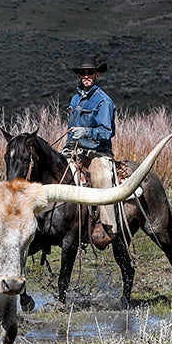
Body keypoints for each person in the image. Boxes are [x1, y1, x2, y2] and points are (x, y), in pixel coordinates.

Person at [64, 58, 120, 241]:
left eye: (90, 73)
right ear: (79, 76)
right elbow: (71, 129)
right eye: (83, 73)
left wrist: (86, 132)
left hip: (97, 153)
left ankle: (108, 227)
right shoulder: (75, 98)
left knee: (101, 178)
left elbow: (106, 132)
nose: (86, 76)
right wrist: (67, 147)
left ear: (97, 74)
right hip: (76, 151)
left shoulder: (104, 101)